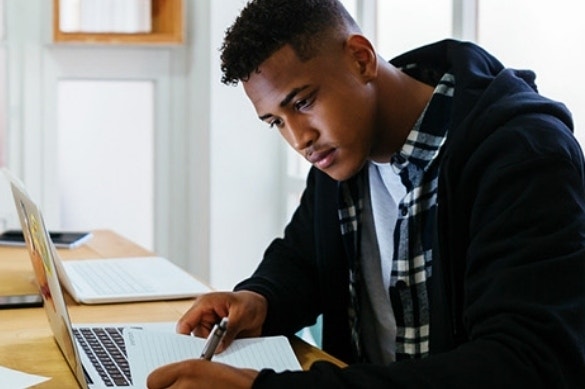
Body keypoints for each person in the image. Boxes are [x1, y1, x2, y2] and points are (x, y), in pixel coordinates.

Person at [147, 0, 585, 387]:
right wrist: (261, 298)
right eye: (276, 121)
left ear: (360, 59)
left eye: (302, 102)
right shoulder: (342, 152)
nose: (299, 138)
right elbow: (304, 260)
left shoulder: (524, 154)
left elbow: (525, 364)